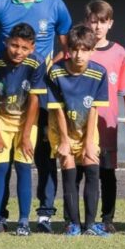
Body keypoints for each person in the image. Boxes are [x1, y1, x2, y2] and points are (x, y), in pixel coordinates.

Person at [0, 0, 72, 233]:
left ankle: (44, 214)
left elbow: (67, 47)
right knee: (3, 159)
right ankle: (0, 216)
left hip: (42, 93)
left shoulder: (55, 4)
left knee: (42, 154)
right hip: (9, 94)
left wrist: (44, 71)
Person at [0, 23, 47, 236]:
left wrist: (26, 136)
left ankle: (23, 223)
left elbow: (34, 100)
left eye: (24, 48)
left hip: (26, 123)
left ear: (32, 47)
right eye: (14, 45)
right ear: (6, 42)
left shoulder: (37, 63)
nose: (18, 51)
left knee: (24, 168)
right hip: (0, 122)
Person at [45, 25, 111, 237]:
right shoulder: (56, 72)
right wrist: (64, 141)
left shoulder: (99, 73)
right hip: (62, 129)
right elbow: (58, 111)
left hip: (87, 129)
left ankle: (90, 224)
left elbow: (94, 109)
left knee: (92, 168)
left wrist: (89, 142)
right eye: (74, 49)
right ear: (68, 50)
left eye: (84, 50)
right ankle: (73, 223)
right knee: (69, 170)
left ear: (92, 50)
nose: (79, 55)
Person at [84, 0, 125, 233]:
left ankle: (107, 218)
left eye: (102, 22)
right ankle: (78, 219)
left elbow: (124, 89)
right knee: (81, 171)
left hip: (107, 122)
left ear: (110, 23)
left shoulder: (119, 52)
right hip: (81, 123)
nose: (97, 27)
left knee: (107, 171)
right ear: (87, 22)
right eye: (93, 21)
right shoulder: (79, 50)